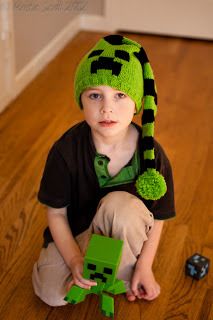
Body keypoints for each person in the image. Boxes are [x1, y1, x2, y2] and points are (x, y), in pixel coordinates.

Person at [32, 34, 175, 307]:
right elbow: (56, 213)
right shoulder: (65, 151)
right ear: (81, 100)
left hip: (120, 232)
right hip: (77, 235)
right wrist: (75, 259)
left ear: (137, 102)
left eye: (120, 95)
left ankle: (122, 272)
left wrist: (145, 265)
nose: (107, 108)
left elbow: (158, 216)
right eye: (95, 95)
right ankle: (103, 273)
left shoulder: (152, 155)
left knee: (120, 207)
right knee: (51, 295)